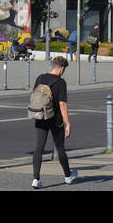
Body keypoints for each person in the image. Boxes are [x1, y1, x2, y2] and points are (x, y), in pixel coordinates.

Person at [30, 56, 76, 188]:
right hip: (55, 119)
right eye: (64, 70)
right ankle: (68, 176)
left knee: (39, 147)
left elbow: (34, 95)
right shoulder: (61, 82)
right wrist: (68, 123)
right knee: (60, 147)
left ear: (53, 66)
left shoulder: (40, 78)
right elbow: (63, 105)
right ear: (61, 69)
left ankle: (36, 179)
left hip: (40, 115)